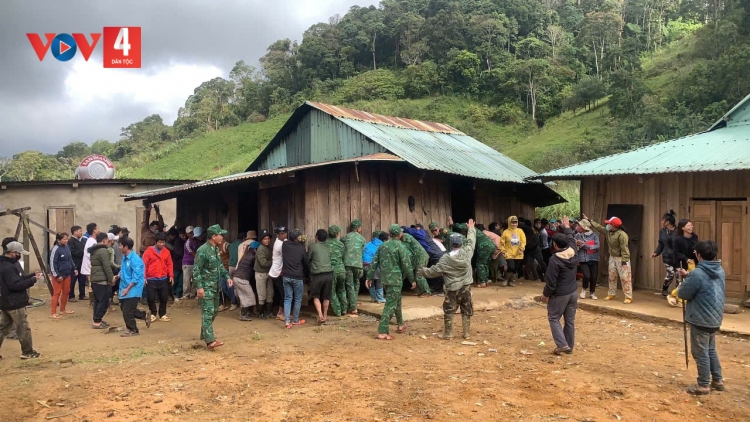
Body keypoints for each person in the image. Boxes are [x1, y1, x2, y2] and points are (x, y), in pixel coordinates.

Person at [676, 240, 725, 395]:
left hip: (700, 318)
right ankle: (718, 380)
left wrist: (686, 280)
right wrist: (688, 276)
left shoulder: (698, 273)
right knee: (710, 349)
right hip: (714, 318)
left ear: (698, 255)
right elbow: (704, 280)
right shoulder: (720, 270)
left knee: (700, 352)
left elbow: (683, 293)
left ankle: (703, 385)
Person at [420, 219, 477, 340]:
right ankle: (466, 333)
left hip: (452, 288)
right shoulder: (467, 253)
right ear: (462, 243)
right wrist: (471, 229)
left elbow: (433, 272)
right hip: (466, 287)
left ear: (451, 244)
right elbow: (472, 241)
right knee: (466, 309)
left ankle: (448, 333)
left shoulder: (445, 259)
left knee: (449, 310)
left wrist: (423, 271)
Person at [366, 225, 415, 340]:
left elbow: (374, 262)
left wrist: (369, 277)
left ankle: (400, 324)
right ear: (399, 234)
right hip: (396, 279)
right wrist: (412, 279)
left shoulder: (382, 246)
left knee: (396, 301)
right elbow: (406, 264)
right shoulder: (400, 246)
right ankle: (382, 331)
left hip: (385, 279)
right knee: (390, 305)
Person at [539, 216, 578, 355]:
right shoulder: (573, 250)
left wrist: (545, 295)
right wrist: (567, 226)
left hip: (560, 294)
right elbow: (571, 236)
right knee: (570, 321)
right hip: (573, 292)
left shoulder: (554, 260)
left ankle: (562, 345)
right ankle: (569, 346)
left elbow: (551, 282)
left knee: (553, 317)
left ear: (555, 245)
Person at [0, 242, 42, 359]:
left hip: (6, 302)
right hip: (14, 303)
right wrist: (32, 280)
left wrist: (31, 276)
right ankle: (27, 352)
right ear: (12, 252)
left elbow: (18, 279)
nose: (20, 256)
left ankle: (27, 351)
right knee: (23, 327)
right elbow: (16, 285)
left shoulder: (6, 264)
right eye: (19, 253)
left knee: (2, 328)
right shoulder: (8, 268)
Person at [193, 224, 230, 350]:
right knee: (208, 313)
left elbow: (220, 266)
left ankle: (205, 334)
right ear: (214, 237)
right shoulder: (202, 250)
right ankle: (210, 341)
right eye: (220, 235)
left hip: (215, 286)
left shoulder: (215, 249)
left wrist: (227, 277)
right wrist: (199, 287)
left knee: (214, 311)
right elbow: (196, 270)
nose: (222, 237)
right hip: (206, 287)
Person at [583, 214, 633, 304]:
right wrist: (590, 220)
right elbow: (599, 227)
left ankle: (628, 296)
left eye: (609, 223)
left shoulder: (622, 235)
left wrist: (624, 261)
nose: (607, 225)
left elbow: (625, 249)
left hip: (621, 258)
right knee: (612, 277)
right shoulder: (608, 231)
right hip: (612, 257)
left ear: (614, 225)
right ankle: (611, 293)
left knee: (625, 277)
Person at [116, 237, 151, 337]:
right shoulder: (125, 257)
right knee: (125, 308)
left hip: (133, 288)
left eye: (120, 245)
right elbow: (123, 269)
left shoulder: (136, 260)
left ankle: (133, 329)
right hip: (125, 286)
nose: (119, 247)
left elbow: (136, 277)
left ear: (126, 247)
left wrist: (128, 289)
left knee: (127, 311)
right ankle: (144, 315)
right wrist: (118, 275)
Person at [142, 232, 174, 322]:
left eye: (163, 242)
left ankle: (162, 314)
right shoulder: (149, 251)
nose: (161, 244)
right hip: (151, 278)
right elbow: (144, 264)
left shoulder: (166, 252)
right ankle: (153, 313)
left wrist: (171, 275)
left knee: (164, 297)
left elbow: (169, 264)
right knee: (151, 298)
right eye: (160, 242)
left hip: (163, 278)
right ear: (155, 242)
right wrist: (144, 277)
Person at [282, 229, 309, 329]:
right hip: (297, 277)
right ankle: (295, 320)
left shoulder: (284, 245)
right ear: (298, 238)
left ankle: (287, 321)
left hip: (286, 276)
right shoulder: (301, 248)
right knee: (297, 299)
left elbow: (290, 245)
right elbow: (305, 263)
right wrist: (307, 274)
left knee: (288, 298)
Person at [307, 229, 334, 323]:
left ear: (316, 237)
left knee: (315, 296)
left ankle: (320, 316)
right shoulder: (328, 247)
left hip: (317, 275)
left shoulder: (312, 247)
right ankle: (325, 315)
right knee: (326, 296)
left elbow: (308, 259)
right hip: (329, 274)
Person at [89, 232, 115, 329]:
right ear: (104, 240)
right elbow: (107, 267)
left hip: (95, 279)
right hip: (101, 280)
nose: (109, 242)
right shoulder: (103, 251)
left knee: (97, 301)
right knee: (104, 301)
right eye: (108, 240)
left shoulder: (94, 250)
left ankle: (97, 319)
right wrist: (111, 279)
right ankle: (97, 321)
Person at [49, 232, 77, 319]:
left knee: (66, 292)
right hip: (58, 275)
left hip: (67, 274)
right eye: (64, 239)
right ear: (58, 240)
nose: (66, 240)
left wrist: (74, 268)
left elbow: (70, 259)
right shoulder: (55, 249)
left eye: (67, 238)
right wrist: (57, 275)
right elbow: (52, 263)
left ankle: (62, 309)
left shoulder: (67, 247)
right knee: (57, 293)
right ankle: (53, 312)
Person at [342, 219, 366, 316]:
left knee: (349, 285)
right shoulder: (362, 239)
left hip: (347, 264)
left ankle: (352, 306)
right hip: (358, 265)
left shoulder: (345, 238)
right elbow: (362, 251)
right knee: (356, 283)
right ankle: (353, 306)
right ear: (358, 228)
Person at [652, 210, 677, 297]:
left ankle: (677, 293)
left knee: (678, 276)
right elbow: (661, 244)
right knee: (670, 273)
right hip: (667, 256)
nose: (662, 222)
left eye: (663, 220)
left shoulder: (678, 232)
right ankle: (665, 288)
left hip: (677, 257)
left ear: (668, 222)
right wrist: (656, 252)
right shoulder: (662, 231)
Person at [401, 230, 432, 297]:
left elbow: (406, 245)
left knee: (419, 275)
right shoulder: (401, 240)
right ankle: (419, 291)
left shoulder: (406, 236)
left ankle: (427, 292)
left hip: (421, 257)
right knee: (414, 274)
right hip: (416, 258)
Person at [233, 241, 259, 321]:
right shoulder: (253, 257)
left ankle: (247, 313)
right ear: (256, 249)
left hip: (237, 277)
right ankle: (243, 315)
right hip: (242, 279)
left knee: (244, 296)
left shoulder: (246, 255)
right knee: (249, 296)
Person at [575, 219, 600, 300]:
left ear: (583, 227)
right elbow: (575, 245)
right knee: (587, 275)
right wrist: (580, 245)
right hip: (582, 259)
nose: (577, 226)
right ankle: (584, 289)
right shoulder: (577, 236)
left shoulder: (594, 235)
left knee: (594, 276)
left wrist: (583, 245)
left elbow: (597, 246)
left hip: (593, 258)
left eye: (579, 225)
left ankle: (592, 293)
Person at [326, 225, 347, 317]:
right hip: (341, 270)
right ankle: (344, 309)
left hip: (331, 271)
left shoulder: (324, 244)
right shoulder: (341, 244)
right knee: (342, 289)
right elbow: (343, 256)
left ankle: (337, 311)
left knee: (332, 291)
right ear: (337, 234)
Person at [500, 216, 526, 286]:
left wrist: (521, 248)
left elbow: (523, 241)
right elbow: (502, 243)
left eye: (515, 223)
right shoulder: (505, 232)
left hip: (518, 253)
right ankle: (505, 279)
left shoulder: (520, 231)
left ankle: (510, 281)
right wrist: (503, 251)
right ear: (509, 223)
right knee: (511, 267)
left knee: (515, 268)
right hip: (509, 253)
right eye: (512, 223)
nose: (514, 224)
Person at [254, 230, 274, 319]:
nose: (267, 240)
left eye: (268, 238)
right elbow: (263, 263)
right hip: (261, 274)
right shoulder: (260, 249)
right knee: (262, 294)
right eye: (265, 239)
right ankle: (261, 313)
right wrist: (275, 262)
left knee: (270, 293)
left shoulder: (269, 247)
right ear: (261, 240)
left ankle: (269, 312)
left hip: (269, 273)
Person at [80, 223, 99, 302]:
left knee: (91, 283)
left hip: (90, 265)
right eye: (97, 228)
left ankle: (92, 301)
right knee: (92, 283)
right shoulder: (92, 241)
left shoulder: (92, 240)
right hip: (90, 265)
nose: (99, 230)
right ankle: (92, 301)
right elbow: (89, 254)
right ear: (94, 230)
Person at [68, 225, 87, 302]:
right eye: (80, 231)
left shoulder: (83, 240)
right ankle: (71, 296)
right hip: (74, 264)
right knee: (72, 281)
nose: (81, 232)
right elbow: (71, 252)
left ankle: (82, 295)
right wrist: (82, 253)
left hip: (82, 264)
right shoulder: (71, 241)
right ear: (75, 232)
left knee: (82, 280)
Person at [167, 228, 185, 301]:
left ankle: (177, 295)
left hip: (180, 264)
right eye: (183, 235)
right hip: (176, 265)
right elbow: (178, 253)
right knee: (175, 281)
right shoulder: (177, 242)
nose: (184, 237)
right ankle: (173, 295)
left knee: (179, 281)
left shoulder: (181, 241)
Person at [182, 226, 198, 299]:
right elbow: (192, 253)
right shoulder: (187, 243)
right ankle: (186, 294)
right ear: (187, 234)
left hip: (195, 263)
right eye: (189, 233)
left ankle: (192, 294)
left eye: (192, 232)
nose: (191, 234)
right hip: (187, 263)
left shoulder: (196, 241)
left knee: (195, 279)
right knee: (187, 280)